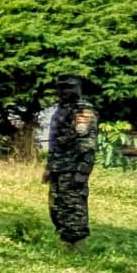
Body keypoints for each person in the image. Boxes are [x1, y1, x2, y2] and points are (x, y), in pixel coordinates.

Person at [46, 75, 99, 247]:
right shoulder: (62, 109)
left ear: (78, 89)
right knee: (57, 207)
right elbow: (56, 142)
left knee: (73, 207)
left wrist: (83, 171)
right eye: (60, 88)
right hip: (58, 167)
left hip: (73, 168)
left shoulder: (82, 111)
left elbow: (87, 143)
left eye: (69, 87)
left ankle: (77, 247)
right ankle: (65, 243)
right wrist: (49, 167)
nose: (64, 92)